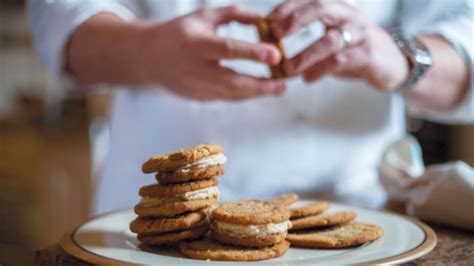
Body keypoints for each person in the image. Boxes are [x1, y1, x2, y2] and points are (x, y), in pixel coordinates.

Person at [27, 0, 473, 213]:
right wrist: (148, 51)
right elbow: (55, 16)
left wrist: (402, 58)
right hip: (150, 219)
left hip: (357, 208)